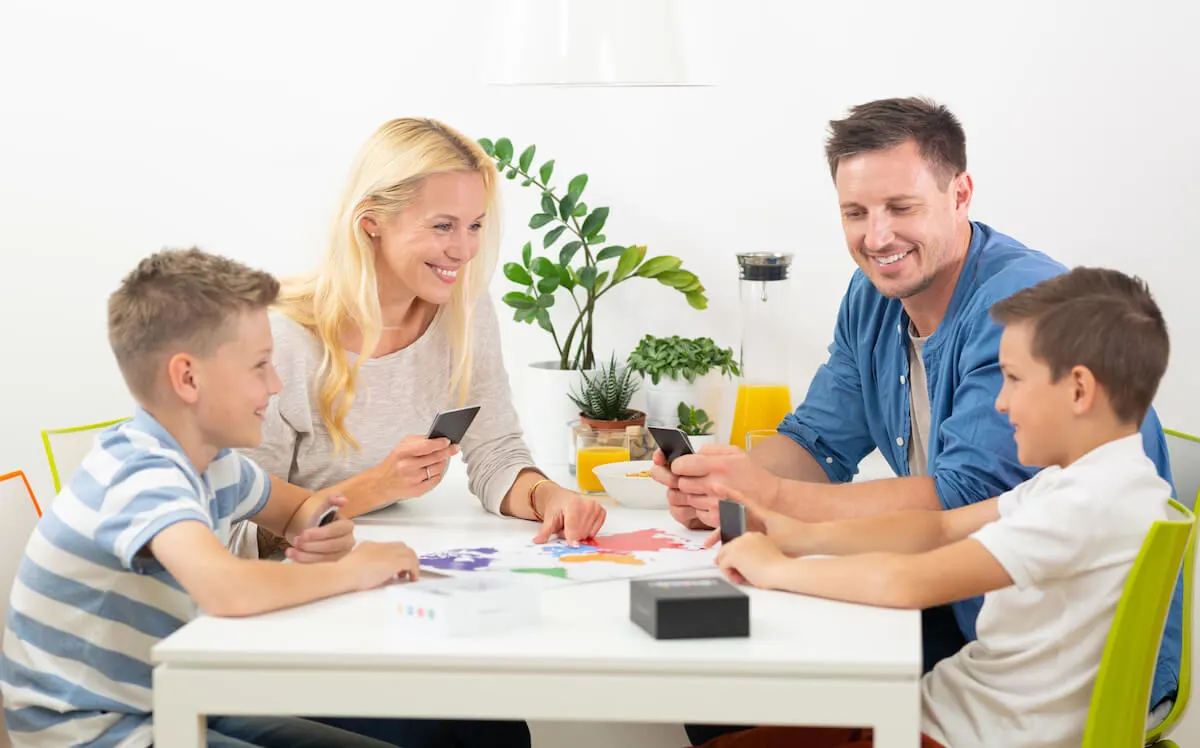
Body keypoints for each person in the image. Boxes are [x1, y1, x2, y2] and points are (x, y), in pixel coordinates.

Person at [652, 97, 1181, 745]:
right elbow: (818, 441)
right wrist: (729, 487)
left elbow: (951, 514)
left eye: (901, 208)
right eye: (855, 213)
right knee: (721, 661)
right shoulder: (876, 293)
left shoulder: (1029, 317)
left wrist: (779, 530)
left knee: (742, 669)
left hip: (1010, 658)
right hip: (981, 644)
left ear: (960, 194)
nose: (876, 237)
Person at [232, 117, 607, 747]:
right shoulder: (284, 337)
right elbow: (241, 517)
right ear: (371, 220)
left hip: (388, 589)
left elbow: (496, 450)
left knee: (498, 727)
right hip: (297, 608)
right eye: (442, 226)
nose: (463, 249)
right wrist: (375, 488)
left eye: (475, 225)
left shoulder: (463, 309)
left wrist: (549, 497)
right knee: (440, 726)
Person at [701, 266, 1175, 748]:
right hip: (941, 713)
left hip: (962, 735)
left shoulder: (1085, 506)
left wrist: (773, 569)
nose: (1000, 404)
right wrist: (794, 537)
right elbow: (940, 528)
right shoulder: (1094, 483)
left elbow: (907, 582)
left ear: (1078, 390)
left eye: (1013, 380)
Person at [0, 248, 413, 748]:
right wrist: (352, 570)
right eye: (260, 366)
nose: (276, 384)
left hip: (173, 701)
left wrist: (319, 528)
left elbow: (300, 508)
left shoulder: (213, 463)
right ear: (188, 378)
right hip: (99, 734)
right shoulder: (140, 473)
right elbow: (228, 590)